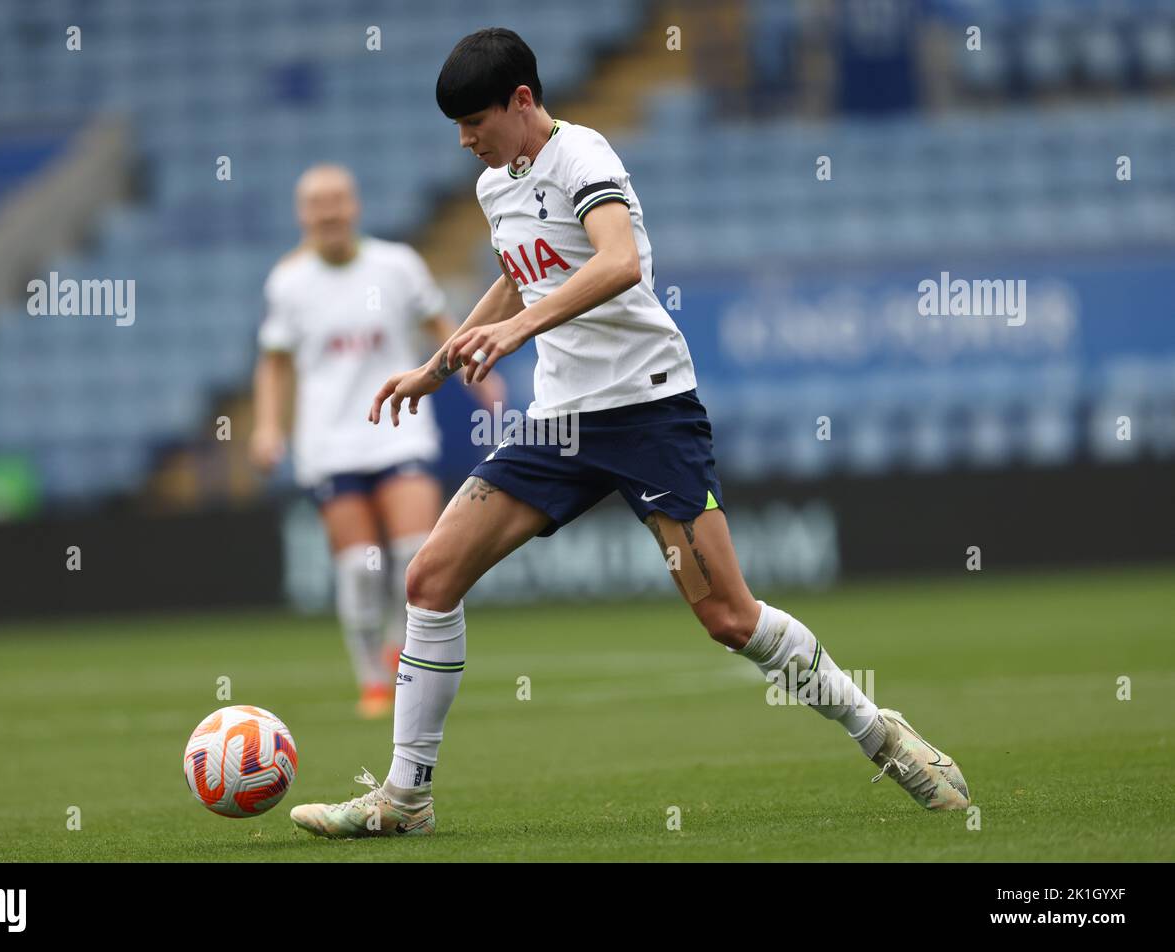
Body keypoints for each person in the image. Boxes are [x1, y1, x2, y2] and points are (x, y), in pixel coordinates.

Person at [290, 29, 969, 836]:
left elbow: (618, 264)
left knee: (728, 618)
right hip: (561, 425)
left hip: (648, 412)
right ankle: (405, 800)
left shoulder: (584, 156)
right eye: (457, 127)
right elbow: (520, 271)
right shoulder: (494, 184)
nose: (465, 139)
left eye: (475, 120)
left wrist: (518, 333)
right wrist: (435, 368)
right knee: (429, 580)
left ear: (521, 101)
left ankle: (883, 736)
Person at [251, 163, 501, 719]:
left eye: (338, 200)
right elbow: (273, 364)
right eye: (318, 203)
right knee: (361, 567)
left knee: (415, 555)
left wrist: (474, 368)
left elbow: (442, 324)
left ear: (355, 206)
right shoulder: (287, 283)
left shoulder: (397, 265)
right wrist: (268, 427)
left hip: (399, 427)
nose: (330, 212)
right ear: (303, 214)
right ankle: (370, 679)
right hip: (331, 442)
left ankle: (397, 651)